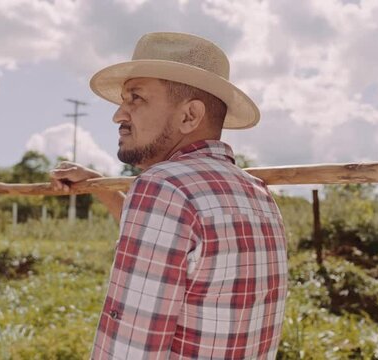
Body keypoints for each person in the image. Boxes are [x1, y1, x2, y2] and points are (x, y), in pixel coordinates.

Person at [50, 32, 288, 359]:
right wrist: (97, 184)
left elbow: (130, 348)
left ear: (189, 116)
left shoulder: (163, 188)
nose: (118, 115)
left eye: (135, 97)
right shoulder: (258, 196)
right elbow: (170, 246)